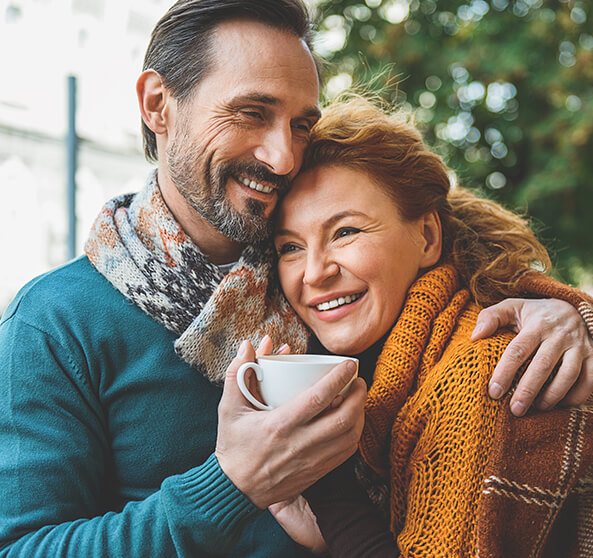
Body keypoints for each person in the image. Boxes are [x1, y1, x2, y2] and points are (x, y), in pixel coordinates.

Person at [0, 0, 590, 555]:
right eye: (251, 113)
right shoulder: (56, 324)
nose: (283, 156)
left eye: (301, 124)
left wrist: (563, 312)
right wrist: (229, 486)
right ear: (158, 104)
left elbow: (450, 256)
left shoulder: (332, 302)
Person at [269, 96, 593, 556]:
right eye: (290, 248)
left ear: (427, 237)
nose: (314, 272)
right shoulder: (391, 367)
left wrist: (327, 491)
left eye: (345, 232)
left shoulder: (479, 374)